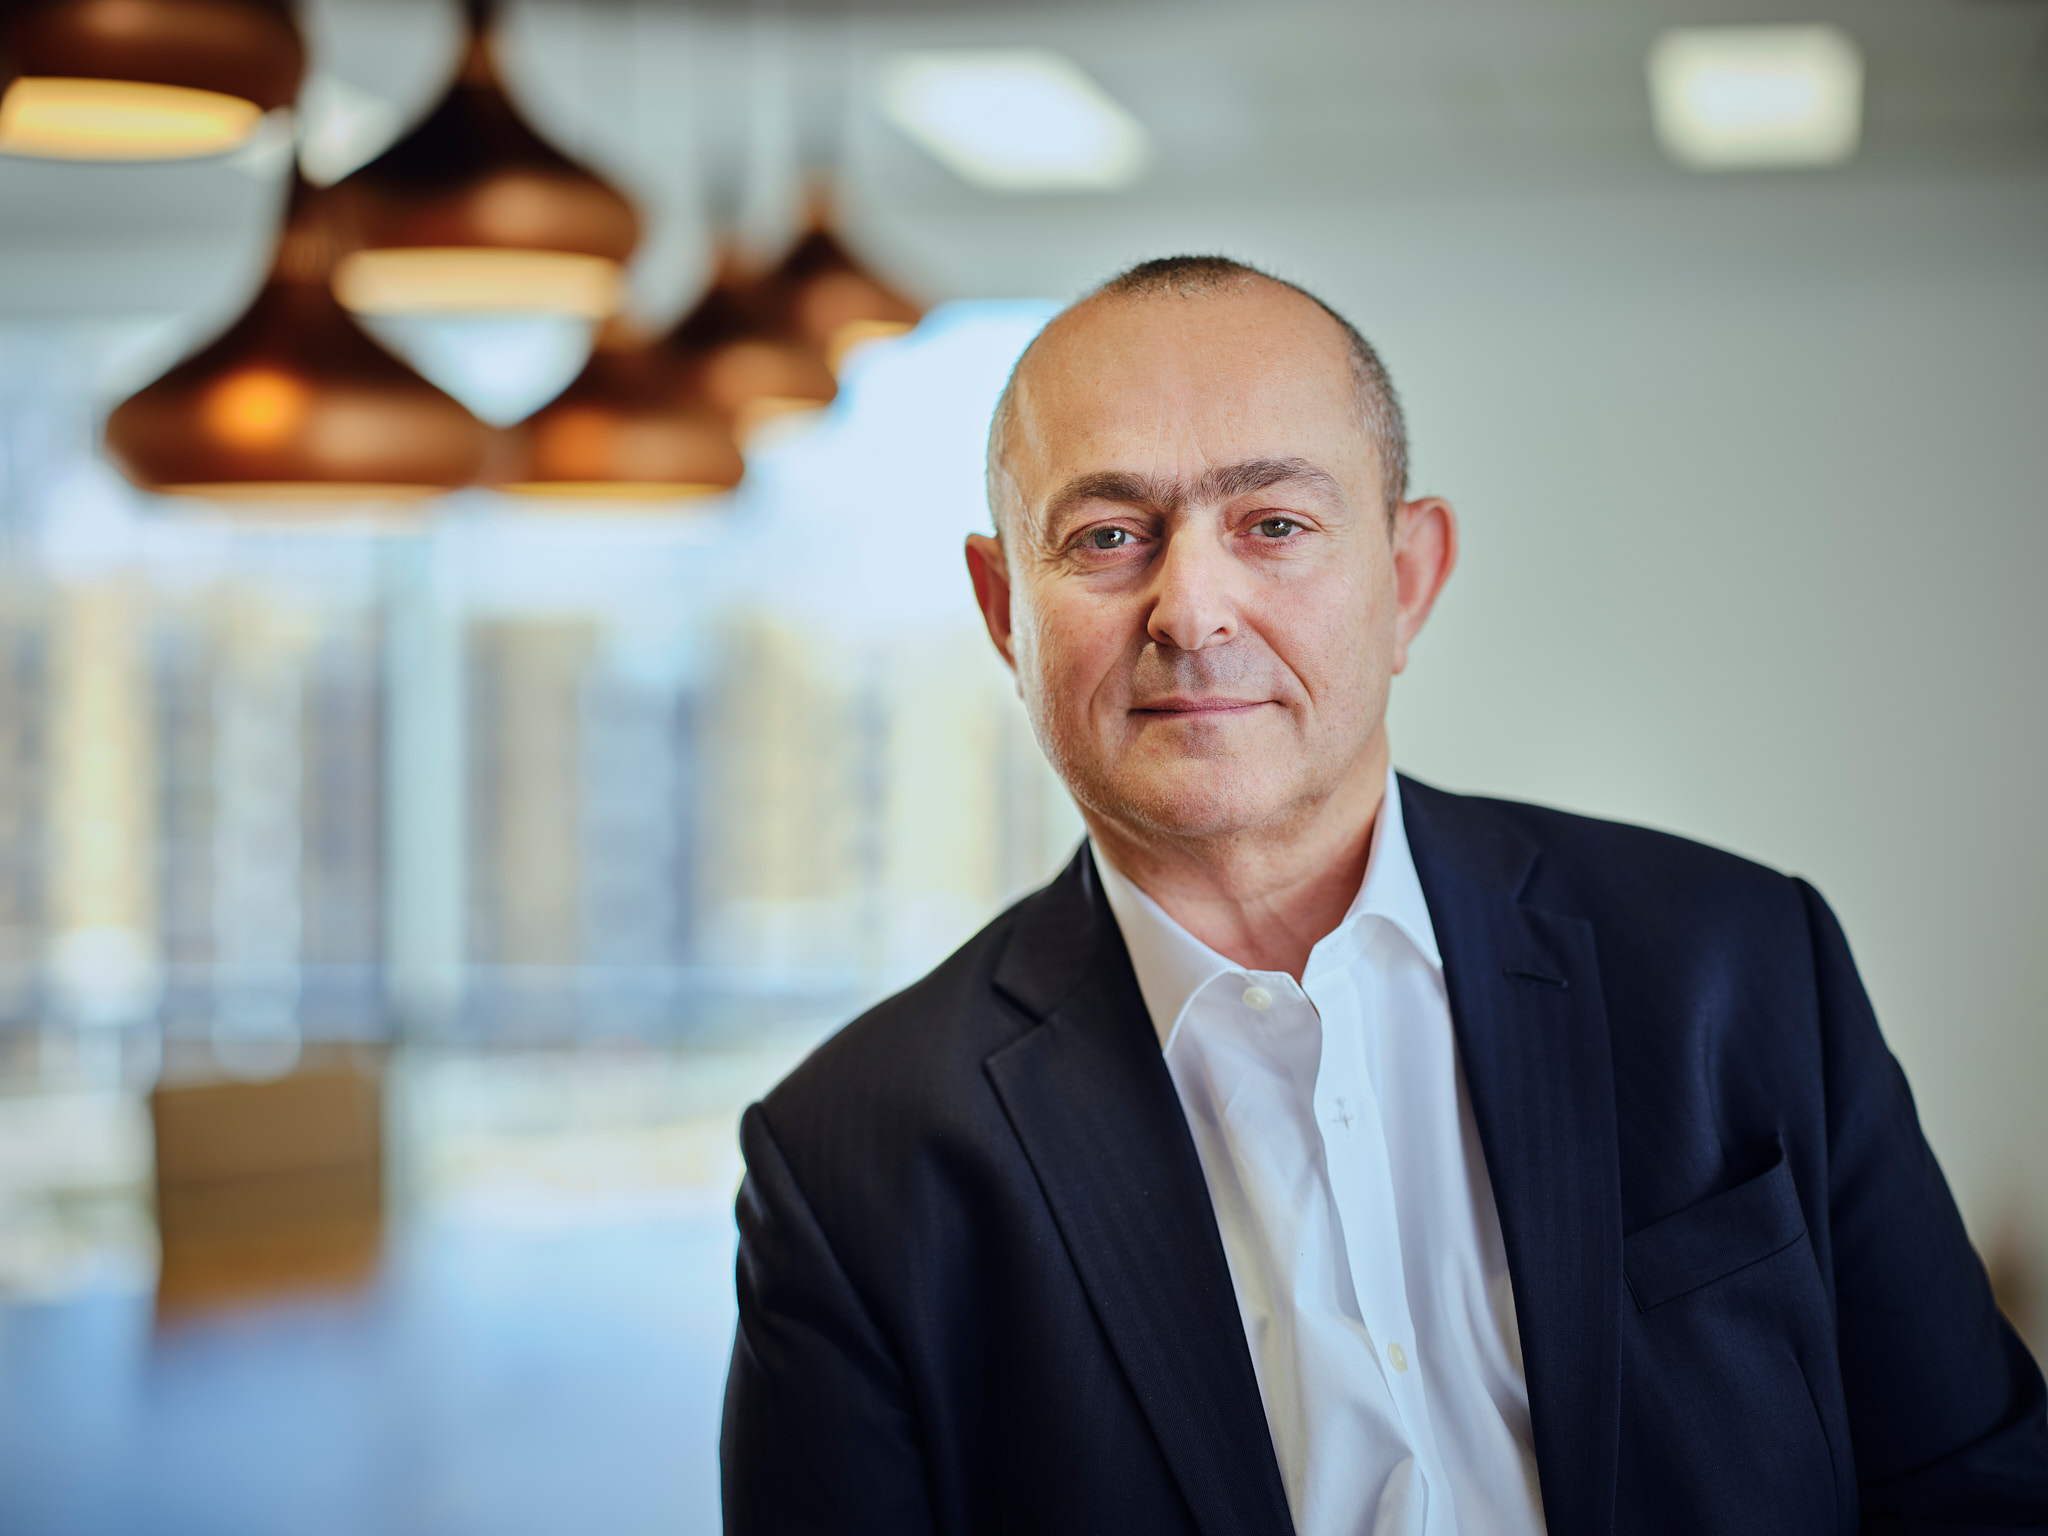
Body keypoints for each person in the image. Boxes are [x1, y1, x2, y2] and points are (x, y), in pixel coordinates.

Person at [719, 256, 2048, 1534]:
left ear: (1407, 580)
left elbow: (1979, 1493)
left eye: (1276, 525)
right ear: (1006, 609)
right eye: (1111, 535)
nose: (1192, 606)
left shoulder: (1742, 968)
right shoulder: (851, 1166)